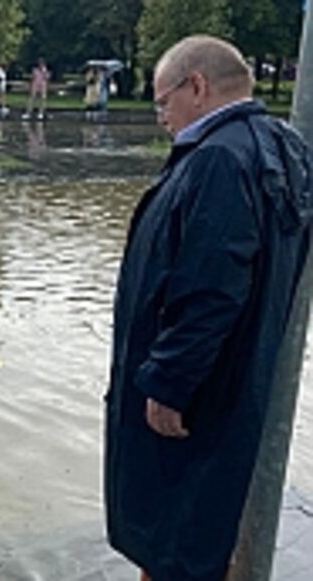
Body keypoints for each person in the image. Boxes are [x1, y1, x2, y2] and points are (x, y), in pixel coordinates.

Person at [105, 35, 313, 581]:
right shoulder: (279, 144)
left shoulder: (219, 159)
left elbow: (211, 286)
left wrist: (170, 381)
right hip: (229, 386)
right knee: (191, 537)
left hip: (196, 396)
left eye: (162, 101)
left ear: (196, 87)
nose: (161, 117)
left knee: (172, 538)